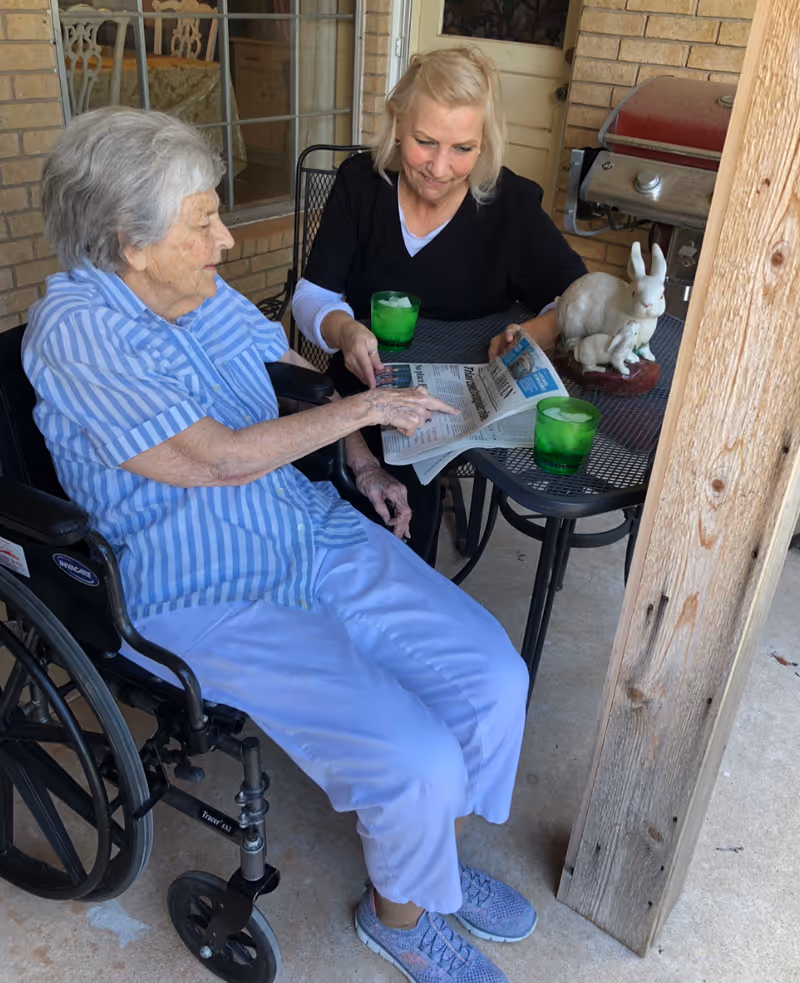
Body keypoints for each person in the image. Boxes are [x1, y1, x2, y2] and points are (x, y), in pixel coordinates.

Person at [24, 107, 535, 983]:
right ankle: (400, 917)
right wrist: (367, 407)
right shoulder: (76, 332)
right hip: (202, 589)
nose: (226, 237)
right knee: (411, 754)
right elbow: (214, 458)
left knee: (493, 676)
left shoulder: (197, 290)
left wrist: (366, 463)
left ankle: (428, 871)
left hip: (303, 527)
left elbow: (290, 379)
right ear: (129, 240)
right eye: (204, 221)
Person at [292, 46, 588, 559]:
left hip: (469, 396)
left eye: (463, 149)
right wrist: (343, 331)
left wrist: (530, 334)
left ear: (486, 144)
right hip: (372, 381)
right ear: (398, 125)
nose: (440, 167)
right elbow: (312, 295)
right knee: (361, 496)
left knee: (415, 503)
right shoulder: (361, 184)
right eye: (425, 142)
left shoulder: (509, 202)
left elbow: (577, 300)